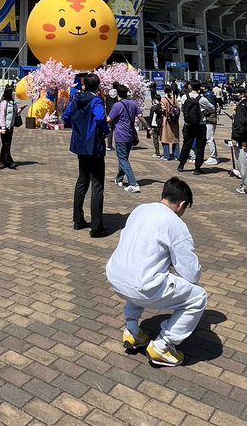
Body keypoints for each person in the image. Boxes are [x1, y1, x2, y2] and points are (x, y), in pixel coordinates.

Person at [105, 177, 206, 368]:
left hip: (115, 276)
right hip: (141, 286)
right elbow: (191, 273)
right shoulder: (175, 224)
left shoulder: (140, 209)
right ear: (181, 204)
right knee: (198, 297)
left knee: (140, 273)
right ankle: (163, 345)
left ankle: (132, 330)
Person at [62, 73, 109, 237]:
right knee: (97, 183)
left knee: (82, 180)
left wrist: (78, 127)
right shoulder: (96, 100)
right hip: (94, 145)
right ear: (97, 86)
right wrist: (105, 131)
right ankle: (96, 227)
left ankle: (78, 220)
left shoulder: (76, 99)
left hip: (80, 143)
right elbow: (100, 117)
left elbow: (65, 116)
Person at [108, 83, 141, 193]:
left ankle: (133, 183)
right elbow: (140, 116)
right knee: (124, 159)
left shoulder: (117, 105)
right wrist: (148, 128)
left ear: (117, 94)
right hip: (130, 136)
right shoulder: (133, 103)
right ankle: (119, 179)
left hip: (120, 135)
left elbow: (109, 119)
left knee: (123, 160)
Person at [230, 90, 247, 195]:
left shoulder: (242, 106)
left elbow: (241, 123)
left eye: (237, 93)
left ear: (242, 94)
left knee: (244, 164)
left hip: (242, 140)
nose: (235, 95)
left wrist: (235, 137)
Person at [178, 84, 207, 173]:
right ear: (199, 88)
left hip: (188, 124)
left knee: (186, 144)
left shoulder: (184, 97)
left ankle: (181, 164)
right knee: (200, 146)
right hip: (200, 124)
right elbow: (212, 108)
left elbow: (182, 109)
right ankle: (197, 168)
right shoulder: (202, 99)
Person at [159, 86, 183, 161]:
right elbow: (178, 108)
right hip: (174, 121)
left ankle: (166, 155)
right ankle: (176, 155)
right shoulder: (174, 99)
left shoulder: (163, 100)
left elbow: (163, 109)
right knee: (175, 139)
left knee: (165, 138)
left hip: (167, 121)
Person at [0, 86, 17, 169]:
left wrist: (18, 111)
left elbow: (14, 113)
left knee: (6, 144)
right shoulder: (4, 103)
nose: (14, 93)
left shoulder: (13, 102)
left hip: (11, 125)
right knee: (6, 144)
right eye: (12, 92)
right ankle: (9, 161)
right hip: (5, 126)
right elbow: (2, 115)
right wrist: (3, 127)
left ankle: (2, 160)